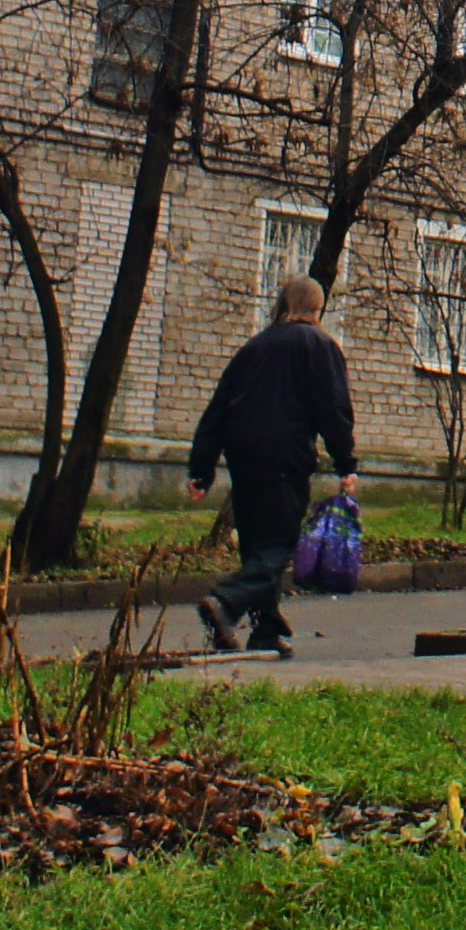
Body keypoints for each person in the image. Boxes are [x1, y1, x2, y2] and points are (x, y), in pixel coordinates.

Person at [185, 274, 359, 656]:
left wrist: (201, 468)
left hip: (243, 458)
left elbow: (217, 409)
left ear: (284, 304)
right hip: (285, 456)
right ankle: (226, 602)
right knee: (280, 544)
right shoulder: (319, 345)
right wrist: (345, 462)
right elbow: (334, 409)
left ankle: (264, 630)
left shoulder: (253, 347)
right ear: (318, 308)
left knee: (257, 546)